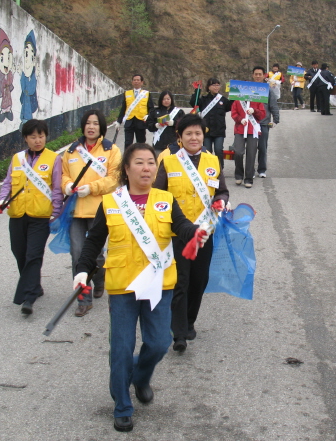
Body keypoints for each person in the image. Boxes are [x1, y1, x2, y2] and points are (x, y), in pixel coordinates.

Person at [72, 143, 208, 432]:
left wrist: (195, 232)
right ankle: (122, 405)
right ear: (127, 169)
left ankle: (141, 376)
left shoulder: (165, 199)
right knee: (121, 348)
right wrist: (82, 271)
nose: (147, 168)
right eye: (140, 163)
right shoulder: (110, 202)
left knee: (159, 343)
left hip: (159, 284)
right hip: (123, 286)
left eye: (150, 163)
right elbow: (94, 242)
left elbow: (181, 226)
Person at [153, 114, 229, 352]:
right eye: (188, 134)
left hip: (205, 231)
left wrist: (222, 202)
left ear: (203, 135)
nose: (194, 138)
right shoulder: (169, 162)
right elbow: (157, 194)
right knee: (180, 281)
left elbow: (222, 191)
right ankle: (179, 332)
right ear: (180, 136)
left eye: (198, 133)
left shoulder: (213, 161)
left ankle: (190, 320)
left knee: (199, 279)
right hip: (178, 233)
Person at [0, 119, 63, 315]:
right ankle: (35, 285)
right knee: (19, 252)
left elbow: (57, 187)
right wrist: (2, 200)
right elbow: (8, 183)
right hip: (17, 214)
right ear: (26, 138)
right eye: (33, 136)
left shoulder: (54, 159)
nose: (37, 140)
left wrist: (56, 211)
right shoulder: (17, 159)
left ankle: (28, 297)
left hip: (40, 216)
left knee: (33, 254)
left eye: (41, 136)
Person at [61, 109, 122, 317]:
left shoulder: (111, 150)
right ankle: (83, 299)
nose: (91, 127)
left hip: (100, 210)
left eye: (95, 123)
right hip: (76, 211)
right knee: (77, 253)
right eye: (88, 123)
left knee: (96, 255)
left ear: (101, 126)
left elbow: (114, 178)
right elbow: (64, 175)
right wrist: (67, 185)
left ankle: (100, 277)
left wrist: (92, 188)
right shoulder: (71, 151)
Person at [231, 68, 267, 188]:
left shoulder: (257, 99)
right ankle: (238, 175)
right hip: (240, 129)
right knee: (238, 152)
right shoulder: (237, 100)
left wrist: (254, 110)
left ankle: (248, 178)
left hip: (253, 130)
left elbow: (262, 114)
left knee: (251, 153)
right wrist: (239, 119)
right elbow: (233, 113)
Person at [191, 77, 231, 169]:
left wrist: (233, 94)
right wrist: (197, 91)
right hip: (206, 131)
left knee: (218, 150)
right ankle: (207, 168)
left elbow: (231, 106)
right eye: (214, 85)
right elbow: (194, 103)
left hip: (219, 130)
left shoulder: (223, 100)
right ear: (208, 87)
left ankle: (219, 168)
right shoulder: (204, 99)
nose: (216, 87)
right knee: (207, 151)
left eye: (218, 85)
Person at [117, 74, 153, 148]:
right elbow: (123, 108)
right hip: (129, 121)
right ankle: (127, 159)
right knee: (127, 143)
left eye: (138, 80)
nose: (136, 81)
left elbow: (151, 108)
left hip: (141, 122)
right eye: (134, 80)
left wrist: (148, 116)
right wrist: (118, 121)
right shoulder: (127, 93)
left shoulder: (147, 94)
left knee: (141, 143)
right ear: (132, 82)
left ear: (142, 82)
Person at [257, 72, 280, 179]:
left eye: (260, 74)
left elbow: (273, 105)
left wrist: (276, 119)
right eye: (256, 74)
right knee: (250, 149)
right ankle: (249, 170)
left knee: (262, 147)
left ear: (263, 76)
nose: (258, 76)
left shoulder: (268, 90)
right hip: (249, 124)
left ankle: (262, 169)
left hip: (264, 123)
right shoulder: (247, 89)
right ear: (253, 75)